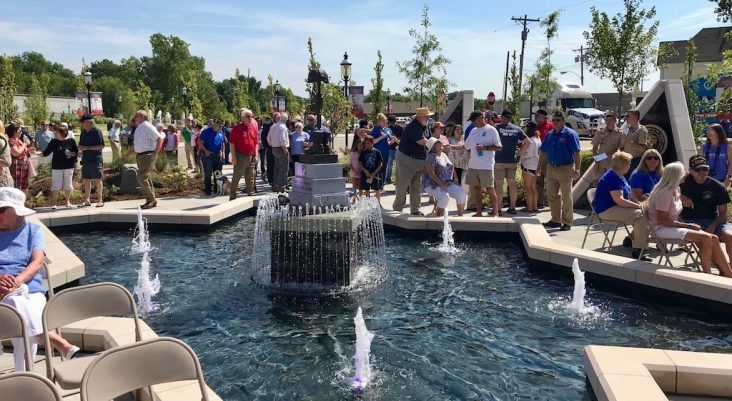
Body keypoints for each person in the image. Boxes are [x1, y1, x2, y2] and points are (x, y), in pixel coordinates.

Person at [0, 187, 80, 371]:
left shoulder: (32, 230)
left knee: (18, 305)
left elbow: (37, 262)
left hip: (30, 290)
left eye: (2, 210)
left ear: (16, 210)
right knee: (17, 304)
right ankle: (59, 345)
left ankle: (23, 374)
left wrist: (16, 282)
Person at [647, 161, 732, 277]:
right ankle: (707, 274)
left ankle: (727, 273)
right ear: (676, 175)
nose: (685, 174)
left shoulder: (676, 189)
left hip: (672, 225)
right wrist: (688, 226)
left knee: (714, 238)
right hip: (661, 228)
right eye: (683, 172)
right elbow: (663, 220)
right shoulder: (665, 193)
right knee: (706, 238)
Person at [593, 152, 650, 260]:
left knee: (646, 213)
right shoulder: (612, 177)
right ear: (623, 165)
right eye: (629, 163)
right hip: (606, 210)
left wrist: (640, 205)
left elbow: (629, 195)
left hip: (615, 207)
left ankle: (631, 239)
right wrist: (638, 207)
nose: (630, 166)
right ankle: (638, 250)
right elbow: (619, 200)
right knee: (641, 216)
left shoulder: (620, 176)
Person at [681, 155, 732, 260]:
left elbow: (723, 214)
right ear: (690, 170)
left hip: (712, 220)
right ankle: (722, 270)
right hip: (690, 221)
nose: (702, 172)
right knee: (708, 240)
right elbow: (663, 191)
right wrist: (680, 196)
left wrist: (713, 225)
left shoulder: (718, 186)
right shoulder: (681, 183)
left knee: (729, 236)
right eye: (697, 169)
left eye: (704, 169)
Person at [537, 110, 581, 231]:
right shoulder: (550, 134)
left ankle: (567, 222)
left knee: (566, 196)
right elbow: (544, 152)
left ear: (563, 120)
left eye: (558, 120)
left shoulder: (570, 134)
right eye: (554, 120)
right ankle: (555, 219)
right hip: (551, 168)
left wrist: (577, 169)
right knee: (552, 195)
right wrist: (539, 167)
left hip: (565, 168)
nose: (555, 122)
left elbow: (577, 153)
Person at [393, 107, 433, 215]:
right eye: (427, 116)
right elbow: (422, 141)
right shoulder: (413, 126)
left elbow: (429, 139)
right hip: (406, 160)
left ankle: (415, 210)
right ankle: (397, 210)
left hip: (419, 160)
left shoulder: (425, 126)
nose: (428, 117)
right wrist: (436, 144)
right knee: (402, 186)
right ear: (420, 116)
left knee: (416, 187)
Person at [463, 110, 502, 217]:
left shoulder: (491, 130)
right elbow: (465, 146)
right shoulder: (473, 130)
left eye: (473, 120)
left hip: (486, 166)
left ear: (481, 118)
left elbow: (499, 147)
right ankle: (479, 212)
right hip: (473, 165)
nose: (473, 123)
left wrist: (485, 148)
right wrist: (450, 147)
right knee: (476, 190)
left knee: (490, 189)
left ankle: (495, 213)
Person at [494, 109, 527, 215]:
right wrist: (519, 153)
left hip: (499, 160)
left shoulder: (497, 128)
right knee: (512, 184)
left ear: (502, 117)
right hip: (512, 160)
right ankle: (512, 207)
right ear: (511, 118)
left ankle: (498, 209)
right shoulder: (517, 129)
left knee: (499, 185)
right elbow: (527, 142)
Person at [423, 137, 466, 217]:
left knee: (461, 193)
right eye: (439, 142)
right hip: (432, 184)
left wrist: (455, 180)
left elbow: (452, 167)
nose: (442, 143)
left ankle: (460, 216)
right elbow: (431, 173)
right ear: (434, 145)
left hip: (447, 183)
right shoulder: (431, 157)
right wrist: (441, 185)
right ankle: (438, 216)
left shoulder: (443, 155)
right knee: (444, 197)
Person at [129, 110, 164, 209]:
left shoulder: (147, 126)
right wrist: (126, 154)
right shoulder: (139, 128)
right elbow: (135, 145)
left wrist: (155, 153)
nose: (134, 118)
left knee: (141, 177)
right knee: (145, 177)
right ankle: (150, 200)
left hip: (148, 155)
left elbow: (159, 139)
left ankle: (152, 200)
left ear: (142, 117)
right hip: (141, 156)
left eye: (136, 116)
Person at [42, 126, 78, 209]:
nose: (54, 133)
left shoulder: (71, 141)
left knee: (68, 185)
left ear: (62, 133)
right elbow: (46, 152)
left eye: (56, 132)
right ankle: (54, 203)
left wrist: (71, 153)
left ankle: (67, 202)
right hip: (57, 166)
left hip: (69, 166)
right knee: (56, 185)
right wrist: (36, 153)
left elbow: (75, 152)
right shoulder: (53, 141)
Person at [229, 109, 259, 199]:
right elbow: (232, 143)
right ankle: (233, 196)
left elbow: (256, 143)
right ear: (243, 118)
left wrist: (256, 155)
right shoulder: (237, 128)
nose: (251, 118)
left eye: (251, 116)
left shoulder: (252, 128)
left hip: (251, 156)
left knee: (250, 177)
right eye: (248, 116)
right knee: (237, 177)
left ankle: (251, 195)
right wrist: (233, 157)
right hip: (240, 156)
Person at [77, 115, 105, 207]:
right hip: (85, 159)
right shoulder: (83, 132)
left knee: (98, 179)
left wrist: (87, 148)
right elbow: (80, 145)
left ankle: (100, 200)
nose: (82, 124)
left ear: (89, 122)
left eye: (83, 122)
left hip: (96, 159)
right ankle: (87, 200)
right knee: (87, 180)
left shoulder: (97, 131)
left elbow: (101, 146)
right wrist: (80, 151)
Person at [591, 111, 623, 183]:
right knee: (596, 183)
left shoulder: (620, 133)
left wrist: (616, 155)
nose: (608, 121)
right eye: (606, 119)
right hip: (600, 162)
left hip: (613, 163)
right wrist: (596, 163)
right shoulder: (600, 132)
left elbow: (622, 148)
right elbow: (594, 148)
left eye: (610, 120)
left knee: (611, 184)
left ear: (615, 120)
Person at [200, 119, 225, 196]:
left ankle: (216, 190)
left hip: (217, 155)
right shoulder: (206, 131)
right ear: (214, 125)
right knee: (208, 174)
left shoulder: (220, 132)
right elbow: (199, 141)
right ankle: (208, 191)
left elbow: (222, 143)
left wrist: (223, 152)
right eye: (218, 125)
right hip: (208, 155)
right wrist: (206, 151)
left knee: (218, 173)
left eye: (220, 126)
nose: (219, 127)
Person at [620, 109, 648, 179]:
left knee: (633, 182)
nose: (626, 118)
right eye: (626, 116)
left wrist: (629, 142)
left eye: (628, 116)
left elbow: (643, 149)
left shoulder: (641, 130)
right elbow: (622, 146)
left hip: (636, 161)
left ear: (636, 117)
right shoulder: (626, 129)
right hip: (625, 160)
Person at [520, 121, 541, 213]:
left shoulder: (531, 140)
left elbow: (528, 154)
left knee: (528, 188)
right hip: (536, 165)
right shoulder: (538, 139)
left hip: (528, 165)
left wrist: (520, 155)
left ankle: (529, 207)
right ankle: (535, 207)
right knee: (533, 187)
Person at [534, 109, 553, 208]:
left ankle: (552, 202)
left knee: (549, 180)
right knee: (538, 181)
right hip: (537, 157)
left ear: (545, 117)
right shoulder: (535, 126)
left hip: (547, 157)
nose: (537, 118)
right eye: (537, 116)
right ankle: (539, 202)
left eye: (539, 116)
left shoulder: (550, 126)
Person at [268, 113, 290, 193]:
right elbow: (282, 139)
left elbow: (268, 138)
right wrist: (285, 149)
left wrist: (272, 144)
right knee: (284, 169)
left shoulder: (273, 126)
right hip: (281, 148)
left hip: (274, 148)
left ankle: (275, 185)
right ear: (285, 119)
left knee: (276, 168)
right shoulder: (283, 127)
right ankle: (282, 187)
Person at [6, 123, 31, 195]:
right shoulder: (11, 141)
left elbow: (23, 150)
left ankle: (23, 203)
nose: (21, 132)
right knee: (17, 186)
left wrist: (29, 149)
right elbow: (16, 152)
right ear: (14, 131)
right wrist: (25, 144)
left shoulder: (18, 140)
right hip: (16, 168)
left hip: (23, 167)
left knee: (24, 186)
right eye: (19, 131)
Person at [358, 135, 384, 201]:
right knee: (367, 189)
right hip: (365, 174)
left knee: (377, 189)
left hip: (374, 174)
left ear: (372, 142)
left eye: (368, 143)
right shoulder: (363, 152)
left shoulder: (377, 152)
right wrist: (365, 170)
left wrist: (374, 172)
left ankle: (378, 203)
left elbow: (380, 163)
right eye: (366, 143)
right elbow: (360, 163)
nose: (367, 145)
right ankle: (368, 203)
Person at [371, 113, 393, 186]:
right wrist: (381, 137)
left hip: (386, 152)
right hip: (377, 152)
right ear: (379, 121)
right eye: (383, 120)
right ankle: (376, 185)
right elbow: (373, 141)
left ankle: (381, 185)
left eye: (385, 120)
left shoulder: (388, 129)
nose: (385, 122)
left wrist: (391, 141)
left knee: (384, 168)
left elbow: (390, 140)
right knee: (378, 169)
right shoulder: (375, 129)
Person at [385, 115, 402, 184]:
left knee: (398, 165)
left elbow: (403, 138)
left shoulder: (400, 128)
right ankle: (388, 179)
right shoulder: (388, 128)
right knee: (389, 165)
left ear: (395, 122)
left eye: (392, 123)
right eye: (390, 123)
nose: (391, 125)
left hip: (398, 148)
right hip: (391, 148)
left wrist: (396, 138)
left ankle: (397, 180)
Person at [348, 132, 365, 197]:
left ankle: (361, 199)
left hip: (361, 172)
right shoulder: (353, 153)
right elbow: (350, 163)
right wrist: (354, 171)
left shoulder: (363, 153)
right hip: (354, 172)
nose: (360, 147)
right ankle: (353, 200)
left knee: (360, 188)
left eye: (361, 145)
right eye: (359, 145)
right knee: (354, 187)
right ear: (356, 145)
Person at [260, 116, 273, 183]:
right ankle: (265, 175)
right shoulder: (268, 127)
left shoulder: (266, 127)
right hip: (268, 147)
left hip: (268, 147)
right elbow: (264, 138)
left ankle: (265, 175)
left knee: (270, 164)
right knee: (270, 164)